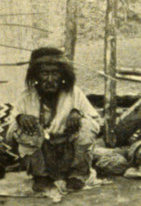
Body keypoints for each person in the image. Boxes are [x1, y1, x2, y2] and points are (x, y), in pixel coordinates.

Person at [6, 46, 100, 193]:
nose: (50, 79)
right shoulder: (26, 97)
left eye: (55, 73)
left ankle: (77, 175)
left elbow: (96, 122)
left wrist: (78, 114)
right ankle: (40, 176)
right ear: (36, 75)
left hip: (69, 156)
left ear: (63, 75)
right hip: (43, 159)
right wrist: (20, 118)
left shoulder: (73, 93)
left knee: (87, 125)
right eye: (44, 73)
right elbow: (9, 135)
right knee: (23, 128)